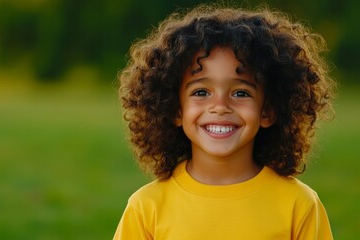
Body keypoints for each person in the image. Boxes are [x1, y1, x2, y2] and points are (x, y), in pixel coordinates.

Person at [114, 4, 335, 240]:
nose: (220, 106)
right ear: (175, 110)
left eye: (240, 93)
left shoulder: (299, 205)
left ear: (268, 111)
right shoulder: (147, 208)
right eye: (201, 92)